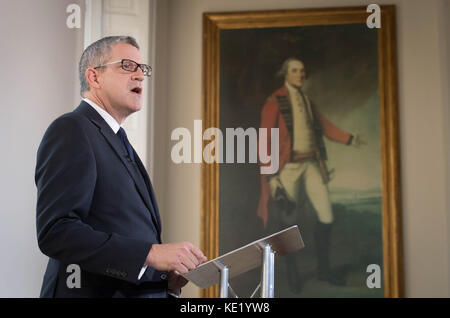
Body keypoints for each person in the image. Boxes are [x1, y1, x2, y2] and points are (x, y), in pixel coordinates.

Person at [35, 36, 206, 298]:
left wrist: (162, 280)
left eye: (142, 68)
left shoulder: (118, 140)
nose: (140, 76)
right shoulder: (72, 129)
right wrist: (150, 253)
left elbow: (123, 235)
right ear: (94, 77)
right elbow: (56, 231)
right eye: (127, 66)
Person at [257, 57, 365, 293]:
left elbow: (325, 127)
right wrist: (272, 177)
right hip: (288, 169)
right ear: (285, 74)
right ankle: (293, 276)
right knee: (288, 225)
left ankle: (324, 271)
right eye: (295, 71)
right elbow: (264, 141)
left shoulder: (307, 101)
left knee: (326, 215)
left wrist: (350, 139)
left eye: (303, 71)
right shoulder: (274, 101)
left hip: (312, 165)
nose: (301, 75)